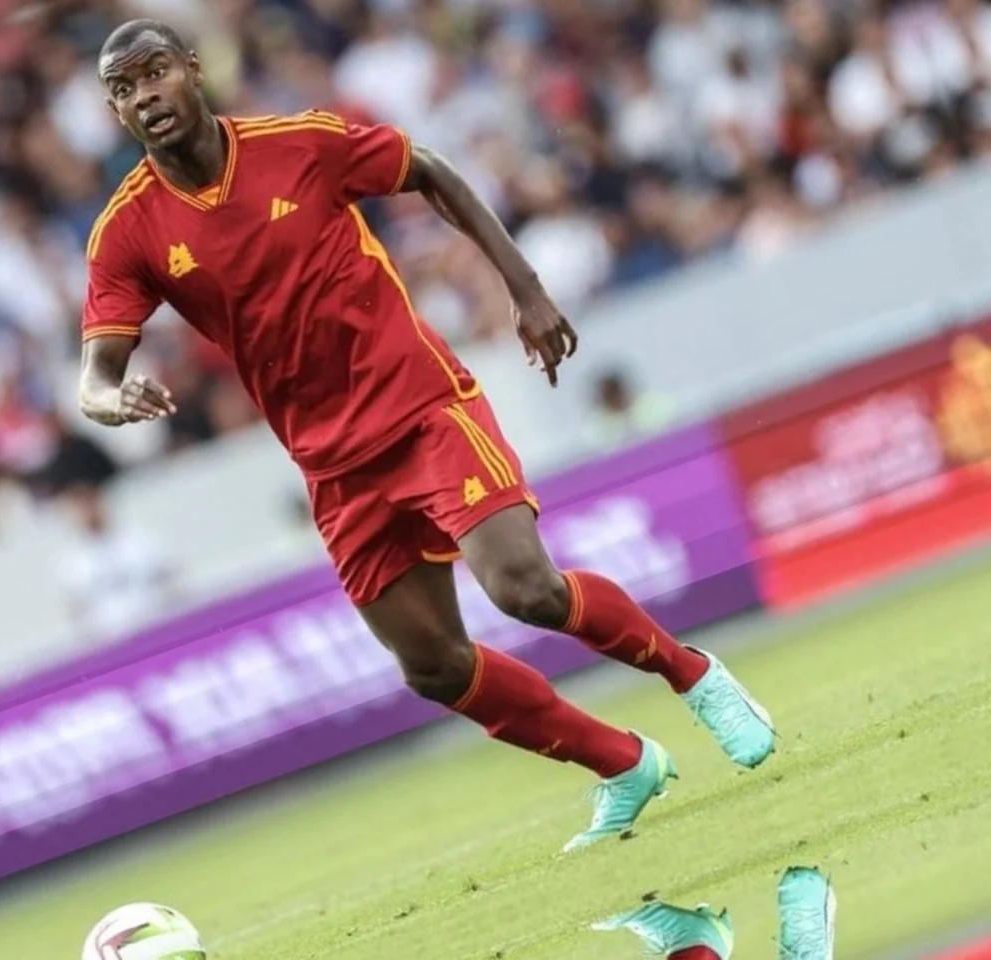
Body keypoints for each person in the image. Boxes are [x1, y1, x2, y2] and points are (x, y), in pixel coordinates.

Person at [76, 19, 775, 856]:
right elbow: (95, 371)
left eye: (155, 72)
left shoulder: (302, 143)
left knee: (526, 589)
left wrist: (526, 290)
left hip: (420, 408)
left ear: (193, 70)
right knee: (435, 667)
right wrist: (108, 399)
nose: (145, 95)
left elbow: (431, 173)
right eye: (123, 87)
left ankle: (692, 674)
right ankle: (622, 764)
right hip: (333, 467)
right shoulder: (128, 230)